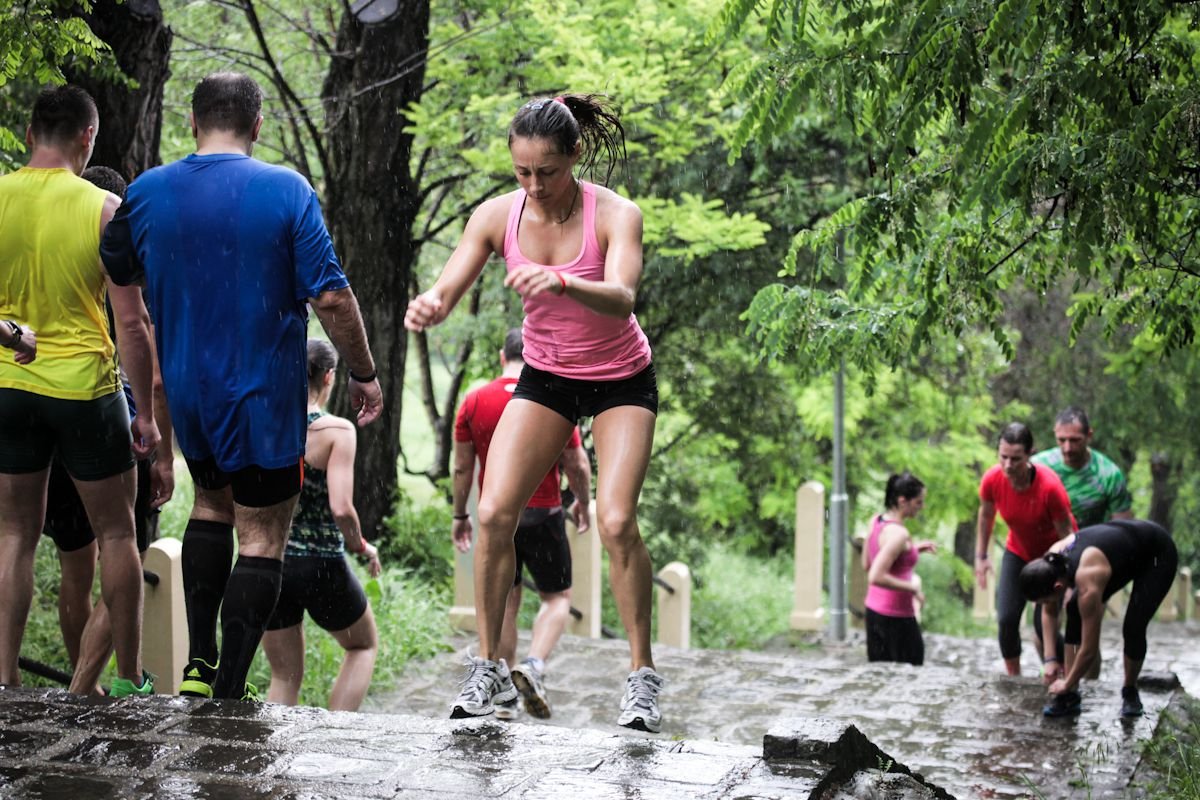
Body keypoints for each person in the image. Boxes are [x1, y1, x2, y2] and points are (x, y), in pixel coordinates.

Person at [100, 72, 382, 700]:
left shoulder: (146, 192)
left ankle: (198, 665)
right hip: (263, 394)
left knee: (209, 506)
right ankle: (229, 685)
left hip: (189, 391)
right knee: (261, 536)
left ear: (193, 124)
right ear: (258, 125)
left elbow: (117, 265)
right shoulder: (286, 190)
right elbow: (331, 295)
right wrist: (362, 371)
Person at [406, 93, 665, 732]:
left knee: (615, 520)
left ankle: (642, 677)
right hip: (547, 376)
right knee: (493, 512)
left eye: (546, 171)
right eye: (522, 171)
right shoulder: (498, 215)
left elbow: (624, 296)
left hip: (619, 380)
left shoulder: (616, 214)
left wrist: (565, 281)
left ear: (574, 156)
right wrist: (431, 305)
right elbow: (449, 282)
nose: (534, 185)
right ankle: (490, 664)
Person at [0, 85, 160, 697]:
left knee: (14, 532)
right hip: (84, 390)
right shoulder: (103, 208)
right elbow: (133, 322)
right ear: (87, 138)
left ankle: (6, 678)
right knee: (117, 534)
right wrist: (144, 413)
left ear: (29, 132)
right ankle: (124, 682)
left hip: (9, 380)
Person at [57, 165, 175, 696]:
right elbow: (150, 370)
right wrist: (162, 446)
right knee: (121, 549)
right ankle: (92, 684)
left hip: (44, 410)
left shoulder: (53, 260)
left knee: (75, 567)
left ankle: (78, 683)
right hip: (109, 413)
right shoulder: (128, 265)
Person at [452, 328, 592, 720]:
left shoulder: (475, 400)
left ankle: (504, 694)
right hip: (544, 512)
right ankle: (533, 666)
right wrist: (582, 501)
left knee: (506, 604)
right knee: (557, 598)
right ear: (534, 356)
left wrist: (460, 514)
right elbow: (575, 462)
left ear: (502, 356)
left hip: (499, 518)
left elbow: (463, 466)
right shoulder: (549, 398)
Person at [261, 339, 382, 711]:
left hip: (270, 562)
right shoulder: (337, 432)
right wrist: (362, 546)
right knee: (362, 645)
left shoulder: (266, 423)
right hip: (321, 565)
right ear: (329, 376)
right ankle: (332, 741)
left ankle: (273, 761)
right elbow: (342, 509)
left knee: (284, 676)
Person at [1020, 519, 1177, 718]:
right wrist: (1050, 660)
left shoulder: (1088, 580)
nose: (1044, 605)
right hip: (1120, 553)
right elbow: (1049, 611)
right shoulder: (1051, 560)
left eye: (1044, 600)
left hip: (1156, 554)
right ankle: (1070, 695)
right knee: (1073, 610)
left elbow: (1089, 649)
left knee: (1133, 626)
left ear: (1058, 587)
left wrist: (1065, 683)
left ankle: (1129, 690)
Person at [975, 422, 1075, 676]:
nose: (1008, 465)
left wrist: (1070, 581)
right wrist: (982, 556)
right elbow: (986, 516)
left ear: (1030, 454)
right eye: (1003, 457)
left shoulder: (1050, 488)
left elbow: (1070, 536)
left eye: (1016, 459)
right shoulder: (992, 479)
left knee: (1043, 627)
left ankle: (1068, 672)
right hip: (1018, 552)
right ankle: (1014, 678)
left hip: (1051, 560)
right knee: (1007, 619)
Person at [862, 472, 935, 666]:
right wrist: (913, 589)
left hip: (874, 612)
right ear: (903, 501)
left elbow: (867, 562)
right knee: (911, 673)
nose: (922, 507)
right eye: (918, 502)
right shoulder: (899, 535)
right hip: (895, 616)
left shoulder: (876, 521)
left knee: (879, 676)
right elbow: (875, 575)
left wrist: (914, 549)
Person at [1032, 407, 1133, 528]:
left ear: (1089, 436)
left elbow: (1123, 527)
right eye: (1061, 440)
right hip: (1046, 541)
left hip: (1093, 541)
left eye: (1075, 440)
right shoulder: (1038, 467)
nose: (1067, 448)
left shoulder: (1109, 474)